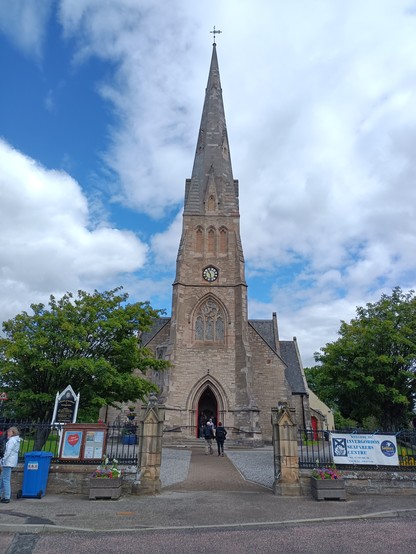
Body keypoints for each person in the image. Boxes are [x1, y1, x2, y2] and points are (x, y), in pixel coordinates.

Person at [0, 426, 21, 503]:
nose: (8, 433)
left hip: (8, 462)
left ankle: (7, 497)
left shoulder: (12, 440)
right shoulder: (16, 440)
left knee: (5, 479)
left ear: (13, 433)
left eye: (10, 432)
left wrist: (3, 459)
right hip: (11, 461)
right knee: (2, 479)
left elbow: (8, 451)